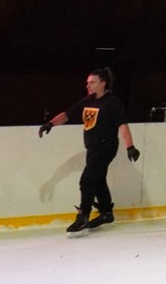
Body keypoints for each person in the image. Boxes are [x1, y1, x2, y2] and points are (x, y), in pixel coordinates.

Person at [38, 67, 140, 234]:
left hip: (106, 147)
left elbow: (123, 126)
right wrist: (50, 124)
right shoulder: (87, 101)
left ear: (103, 83)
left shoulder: (112, 102)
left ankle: (83, 216)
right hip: (92, 148)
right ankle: (106, 213)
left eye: (92, 82)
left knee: (86, 181)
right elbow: (67, 114)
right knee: (98, 180)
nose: (88, 86)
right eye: (87, 83)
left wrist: (130, 146)